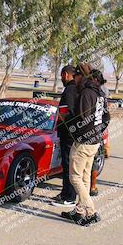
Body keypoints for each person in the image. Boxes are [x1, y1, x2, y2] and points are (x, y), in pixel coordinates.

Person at [61, 63, 110, 226]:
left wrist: (67, 120)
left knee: (74, 177)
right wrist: (97, 132)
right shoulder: (100, 93)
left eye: (75, 76)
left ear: (81, 76)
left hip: (83, 142)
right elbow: (106, 118)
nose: (74, 79)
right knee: (84, 176)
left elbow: (82, 118)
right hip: (95, 142)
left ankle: (91, 211)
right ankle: (80, 211)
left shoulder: (87, 93)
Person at [52, 65, 78, 207]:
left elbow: (65, 115)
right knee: (66, 164)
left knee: (68, 165)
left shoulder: (69, 90)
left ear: (66, 75)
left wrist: (61, 128)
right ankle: (64, 192)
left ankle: (70, 197)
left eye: (62, 75)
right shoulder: (75, 89)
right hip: (71, 133)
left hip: (68, 135)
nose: (61, 78)